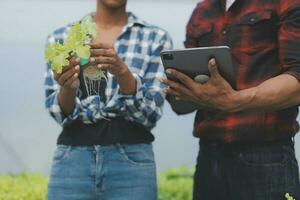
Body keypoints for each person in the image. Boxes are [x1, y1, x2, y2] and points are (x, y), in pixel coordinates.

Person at [162, 0, 300, 199]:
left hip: (267, 156)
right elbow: (182, 106)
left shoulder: (284, 2)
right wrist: (177, 87)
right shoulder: (202, 11)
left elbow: (297, 80)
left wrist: (235, 100)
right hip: (209, 156)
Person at [44, 0, 172, 199]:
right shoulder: (62, 37)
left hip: (131, 163)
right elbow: (60, 114)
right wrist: (68, 87)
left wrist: (122, 72)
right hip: (73, 160)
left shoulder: (155, 38)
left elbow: (150, 114)